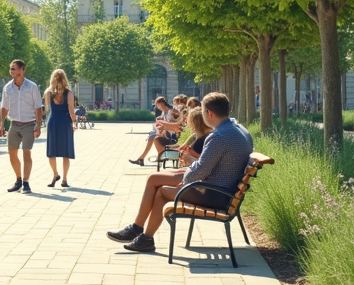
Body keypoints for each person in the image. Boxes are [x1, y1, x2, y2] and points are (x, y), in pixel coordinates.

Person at [106, 92, 253, 252]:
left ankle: (144, 236)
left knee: (162, 192)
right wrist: (189, 168)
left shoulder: (218, 136)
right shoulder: (239, 129)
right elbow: (208, 167)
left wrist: (188, 168)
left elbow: (198, 172)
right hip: (222, 187)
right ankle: (138, 230)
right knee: (154, 178)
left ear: (209, 113)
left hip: (213, 193)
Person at [0, 59, 44, 194]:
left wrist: (38, 125)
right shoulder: (7, 88)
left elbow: (38, 107)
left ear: (22, 70)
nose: (11, 71)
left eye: (13, 68)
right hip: (14, 124)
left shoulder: (32, 87)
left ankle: (26, 182)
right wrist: (2, 124)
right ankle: (18, 180)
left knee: (26, 152)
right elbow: (4, 107)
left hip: (28, 124)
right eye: (10, 68)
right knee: (12, 153)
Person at [43, 69, 76, 188]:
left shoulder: (48, 92)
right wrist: (74, 122)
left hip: (53, 121)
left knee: (51, 151)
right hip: (65, 122)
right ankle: (65, 179)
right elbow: (71, 110)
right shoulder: (69, 93)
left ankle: (55, 174)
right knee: (65, 152)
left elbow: (47, 109)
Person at [129, 96, 177, 166]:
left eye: (157, 105)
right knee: (151, 136)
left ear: (162, 104)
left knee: (153, 137)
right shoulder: (164, 112)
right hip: (164, 131)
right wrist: (159, 119)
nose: (157, 107)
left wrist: (162, 122)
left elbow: (170, 123)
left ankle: (155, 157)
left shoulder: (170, 111)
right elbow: (163, 120)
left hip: (169, 133)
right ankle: (142, 158)